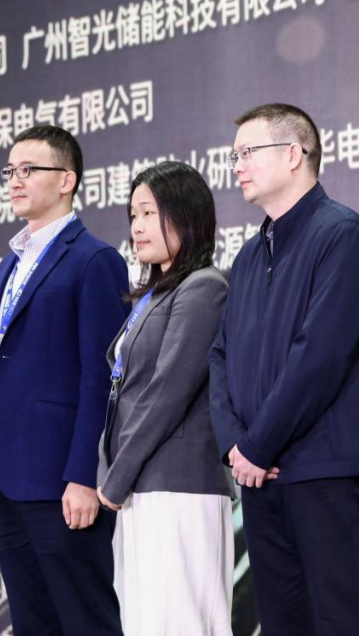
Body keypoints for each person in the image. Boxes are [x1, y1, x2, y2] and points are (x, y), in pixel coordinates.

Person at [209, 103, 359, 635]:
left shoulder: (341, 234)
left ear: (293, 154)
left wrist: (257, 447)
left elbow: (319, 358)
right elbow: (220, 357)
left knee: (342, 623)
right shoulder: (248, 256)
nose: (237, 166)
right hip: (260, 478)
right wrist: (235, 446)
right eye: (234, 156)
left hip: (325, 472)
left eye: (248, 152)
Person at [0, 125, 127, 636]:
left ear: (67, 180)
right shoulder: (9, 264)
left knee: (83, 619)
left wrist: (84, 475)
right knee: (31, 622)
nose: (14, 180)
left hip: (61, 479)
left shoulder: (94, 259)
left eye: (28, 169)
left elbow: (101, 378)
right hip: (6, 477)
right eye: (9, 171)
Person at [97, 161, 235, 635]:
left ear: (186, 215)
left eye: (149, 213)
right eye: (133, 215)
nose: (137, 226)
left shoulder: (204, 287)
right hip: (142, 486)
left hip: (180, 487)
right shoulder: (154, 293)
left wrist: (115, 479)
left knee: (181, 623)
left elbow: (166, 394)